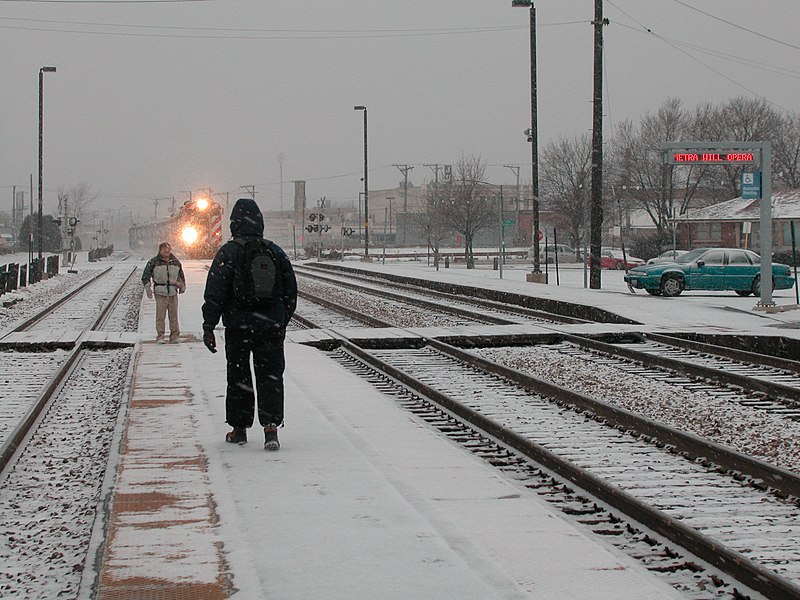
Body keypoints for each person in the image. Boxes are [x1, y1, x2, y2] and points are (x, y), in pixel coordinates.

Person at [201, 198, 297, 451]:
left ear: (234, 223)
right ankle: (271, 429)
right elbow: (291, 293)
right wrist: (279, 320)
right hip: (270, 328)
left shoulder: (228, 252)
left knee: (238, 376)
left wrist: (209, 325)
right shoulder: (275, 252)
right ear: (260, 222)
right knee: (271, 376)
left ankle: (239, 429)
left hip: (239, 327)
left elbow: (215, 292)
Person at [141, 242, 186, 344]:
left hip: (172, 292)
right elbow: (145, 276)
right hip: (160, 292)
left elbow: (181, 276)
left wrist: (182, 286)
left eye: (168, 249)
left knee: (173, 315)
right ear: (160, 250)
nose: (167, 252)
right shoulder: (153, 262)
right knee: (160, 316)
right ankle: (160, 336)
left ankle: (174, 336)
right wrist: (148, 289)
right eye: (164, 250)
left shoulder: (175, 262)